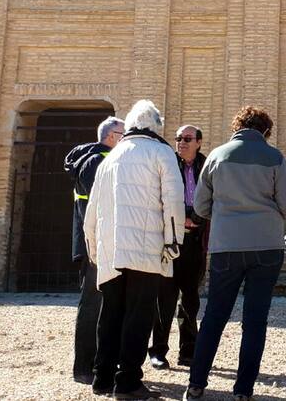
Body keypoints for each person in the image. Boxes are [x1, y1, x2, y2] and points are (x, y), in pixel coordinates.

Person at [184, 106, 286, 401]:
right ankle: (243, 390)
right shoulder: (275, 158)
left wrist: (224, 215)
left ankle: (196, 384)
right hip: (266, 246)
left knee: (214, 317)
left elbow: (200, 206)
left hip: (226, 246)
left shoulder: (218, 156)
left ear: (237, 126)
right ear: (265, 131)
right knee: (256, 320)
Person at [84, 100, 184, 400]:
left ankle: (102, 378)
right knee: (139, 315)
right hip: (145, 247)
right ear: (156, 126)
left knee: (111, 313)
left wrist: (93, 246)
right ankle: (127, 381)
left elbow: (92, 209)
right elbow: (173, 204)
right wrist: (173, 242)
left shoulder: (111, 158)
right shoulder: (162, 153)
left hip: (111, 251)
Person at [65, 115, 124, 385]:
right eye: (123, 134)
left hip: (103, 243)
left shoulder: (99, 159)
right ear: (111, 136)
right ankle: (84, 368)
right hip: (95, 245)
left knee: (106, 305)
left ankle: (102, 363)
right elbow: (99, 208)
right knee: (92, 304)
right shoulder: (96, 162)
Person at [149, 125, 209, 370]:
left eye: (187, 139)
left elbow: (212, 197)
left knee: (191, 298)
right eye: (178, 139)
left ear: (199, 143)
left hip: (195, 241)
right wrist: (180, 215)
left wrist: (197, 217)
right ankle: (158, 351)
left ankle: (188, 351)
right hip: (170, 239)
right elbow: (157, 194)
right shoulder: (167, 163)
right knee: (164, 297)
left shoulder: (207, 166)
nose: (181, 143)